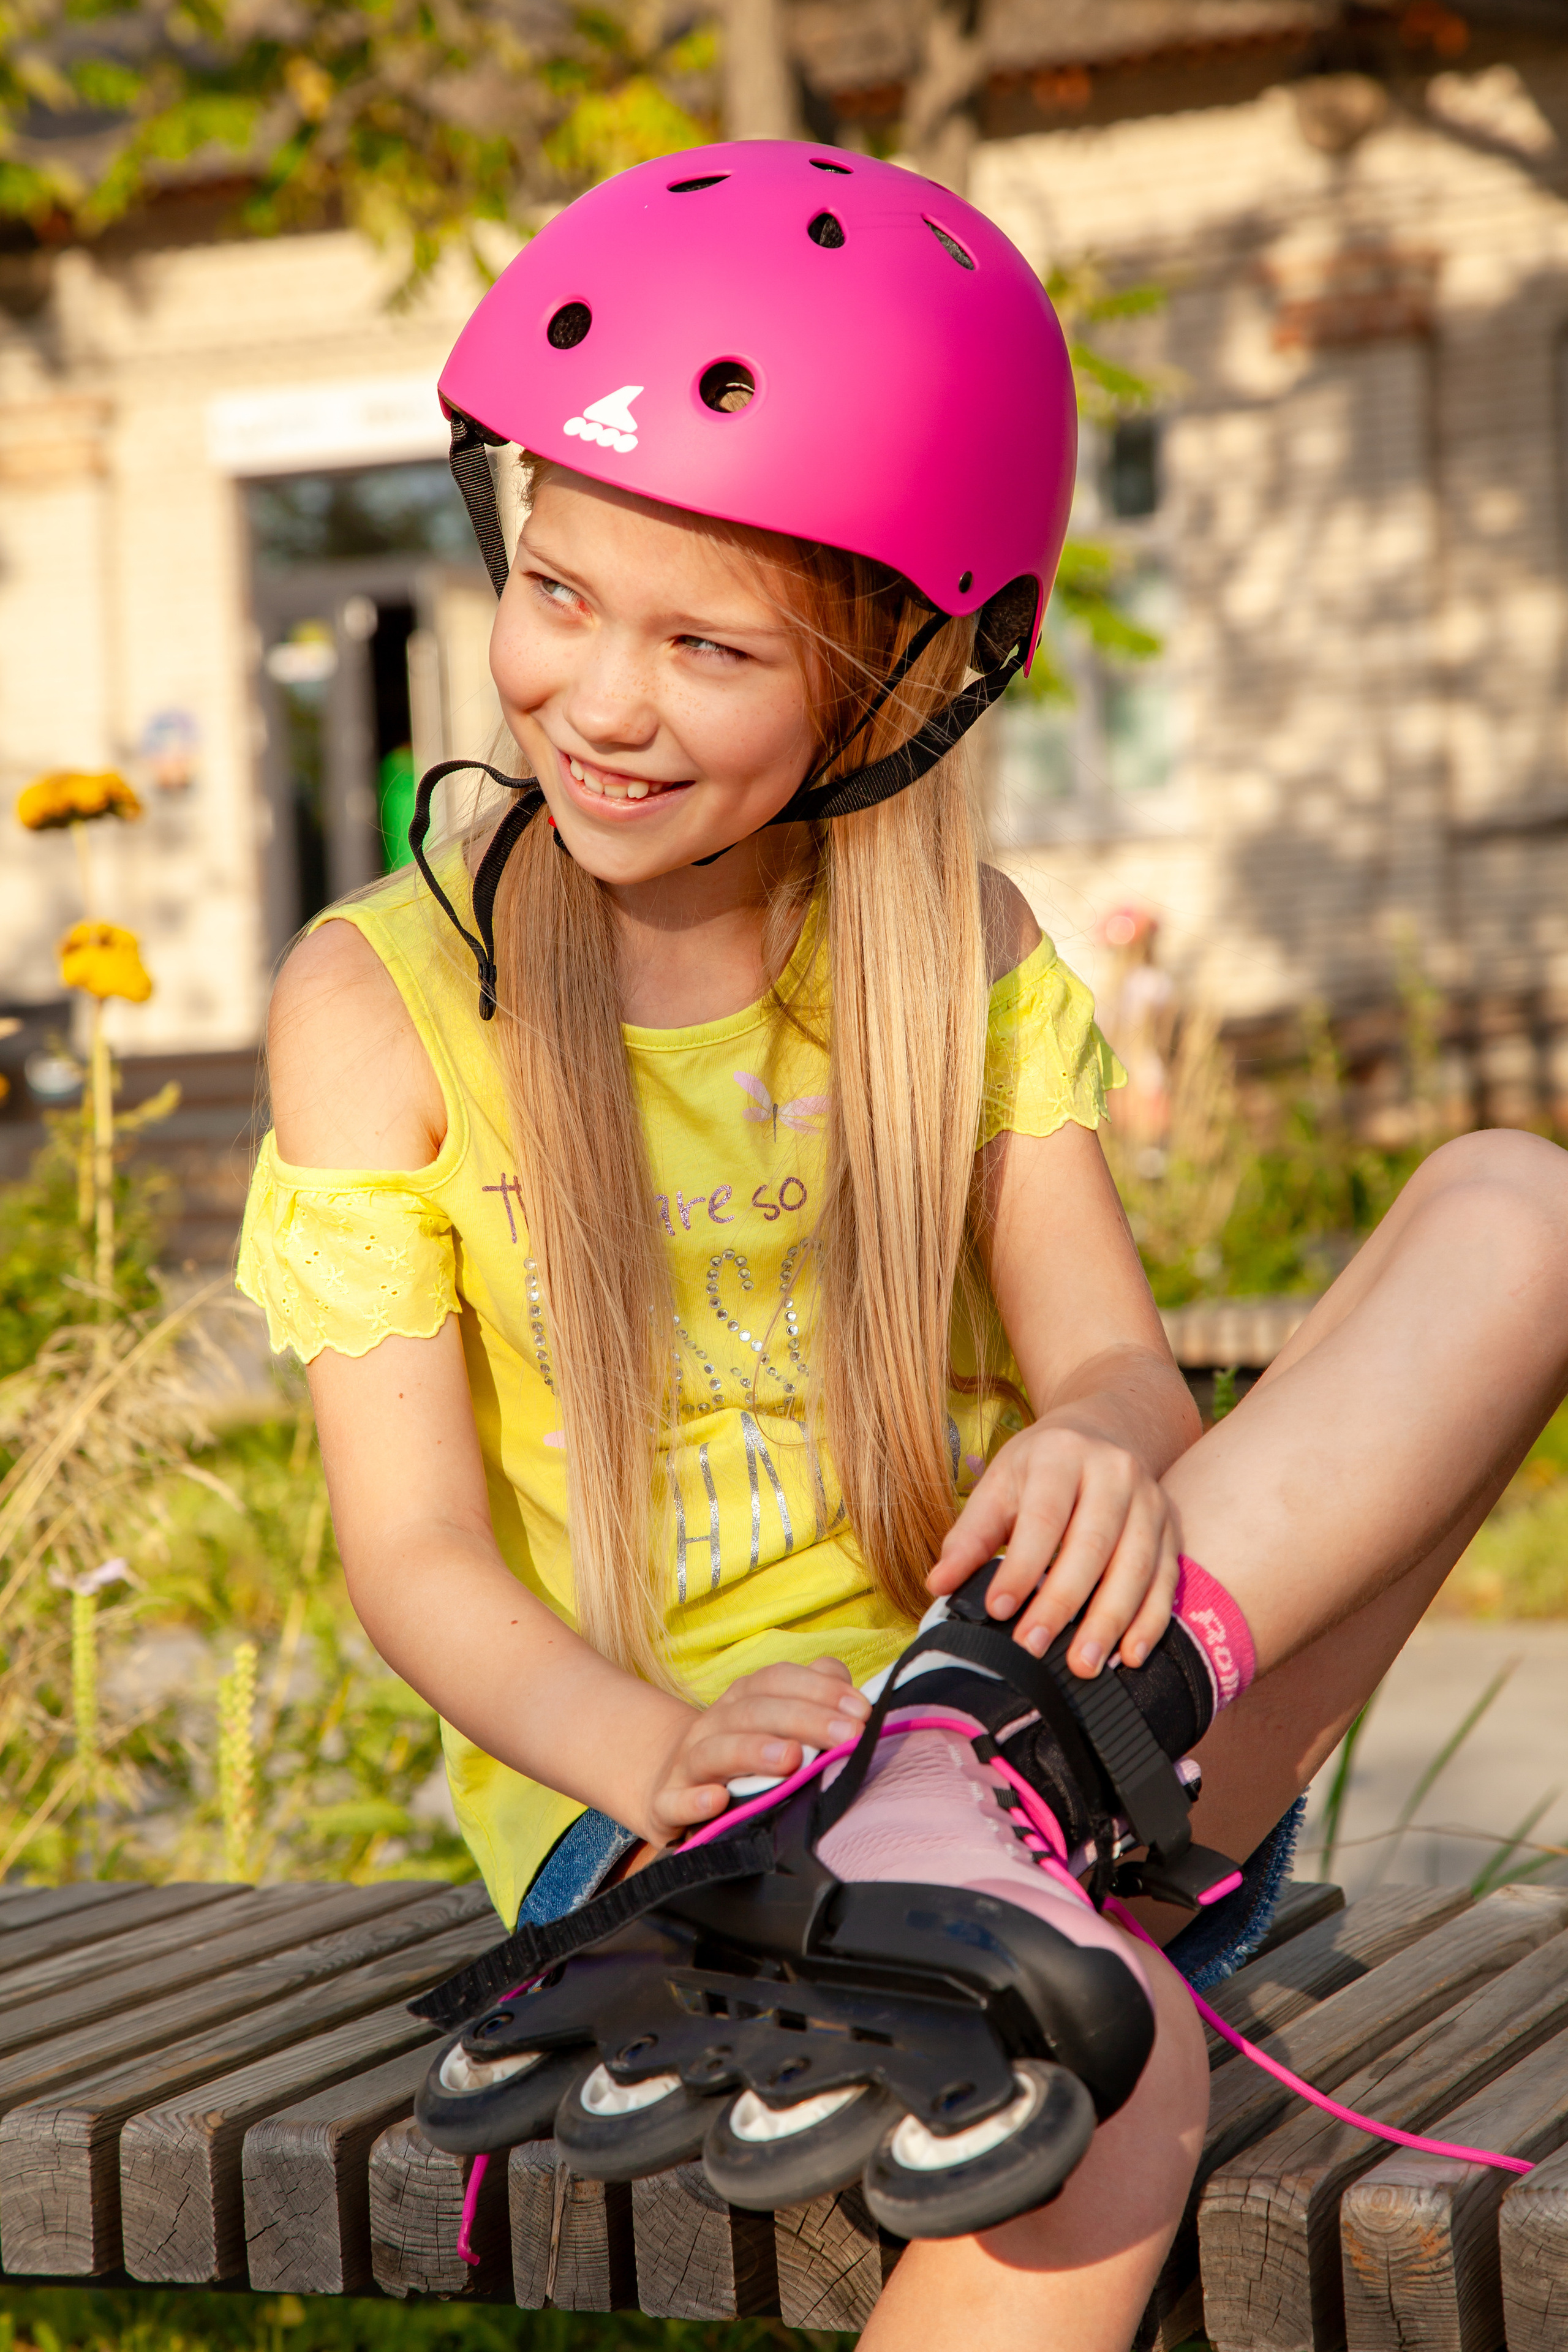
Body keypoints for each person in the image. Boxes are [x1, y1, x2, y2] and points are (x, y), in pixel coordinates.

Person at [238, 143, 1568, 2352]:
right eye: (560, 591)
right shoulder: (384, 1004)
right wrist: (645, 1750)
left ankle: (989, 1771)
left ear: (892, 682)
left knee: (1523, 1205)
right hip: (692, 1822)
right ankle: (949, 1822)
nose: (599, 695)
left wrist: (1097, 1447)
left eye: (709, 644)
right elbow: (416, 1559)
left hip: (1074, 1746)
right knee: (1104, 2062)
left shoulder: (953, 951)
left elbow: (1122, 1383)